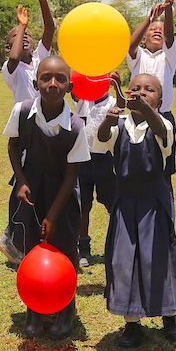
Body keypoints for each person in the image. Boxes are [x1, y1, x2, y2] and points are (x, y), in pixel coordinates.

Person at [4, 55, 91, 340]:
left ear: (70, 86)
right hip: (30, 189)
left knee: (65, 248)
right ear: (35, 82)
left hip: (61, 194)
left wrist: (52, 215)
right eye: (45, 78)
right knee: (31, 247)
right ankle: (34, 309)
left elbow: (71, 175)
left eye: (60, 79)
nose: (52, 83)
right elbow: (13, 146)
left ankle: (67, 308)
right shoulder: (22, 110)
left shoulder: (77, 126)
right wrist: (22, 181)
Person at [93, 75, 176, 348]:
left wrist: (145, 109)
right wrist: (108, 120)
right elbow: (102, 139)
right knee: (123, 260)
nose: (141, 94)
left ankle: (169, 315)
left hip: (153, 203)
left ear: (161, 100)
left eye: (150, 90)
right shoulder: (120, 125)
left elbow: (161, 132)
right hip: (125, 203)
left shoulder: (163, 123)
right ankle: (131, 323)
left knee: (158, 259)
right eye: (136, 89)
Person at [0, 0, 56, 264]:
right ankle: (13, 237)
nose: (26, 36)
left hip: (49, 128)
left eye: (28, 34)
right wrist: (19, 26)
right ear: (10, 47)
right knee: (22, 182)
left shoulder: (42, 62)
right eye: (18, 38)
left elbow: (49, 29)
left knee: (45, 181)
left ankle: (39, 235)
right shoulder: (12, 69)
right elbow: (16, 54)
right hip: (26, 130)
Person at [127, 0, 176, 183]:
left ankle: (166, 208)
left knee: (164, 168)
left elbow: (171, 36)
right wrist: (150, 17)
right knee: (136, 165)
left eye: (161, 30)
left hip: (162, 116)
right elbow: (131, 45)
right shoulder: (138, 56)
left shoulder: (169, 58)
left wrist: (168, 10)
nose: (157, 31)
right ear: (144, 36)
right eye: (152, 30)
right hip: (136, 118)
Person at [73, 75, 119, 268]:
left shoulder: (114, 101)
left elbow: (123, 108)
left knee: (112, 204)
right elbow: (74, 88)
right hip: (84, 160)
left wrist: (118, 88)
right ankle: (83, 247)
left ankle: (118, 243)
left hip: (105, 160)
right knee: (83, 206)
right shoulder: (83, 102)